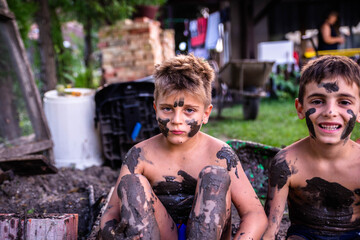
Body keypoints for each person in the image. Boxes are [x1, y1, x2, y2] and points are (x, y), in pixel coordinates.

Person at [100, 54, 267, 240]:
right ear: (155, 109)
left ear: (206, 114)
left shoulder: (220, 154)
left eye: (189, 110)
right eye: (167, 109)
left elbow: (255, 214)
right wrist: (111, 234)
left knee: (215, 176)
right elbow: (110, 215)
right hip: (161, 234)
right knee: (132, 183)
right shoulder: (140, 155)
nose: (176, 120)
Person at [262, 55, 360, 240]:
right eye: (317, 101)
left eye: (344, 102)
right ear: (300, 108)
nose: (330, 112)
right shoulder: (287, 163)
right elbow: (269, 229)